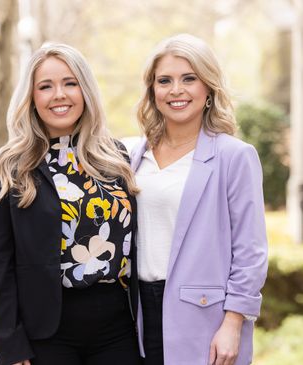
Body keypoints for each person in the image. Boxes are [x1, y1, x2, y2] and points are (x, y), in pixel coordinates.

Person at [0, 42, 141, 365]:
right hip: (47, 334)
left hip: (118, 328)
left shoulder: (116, 156)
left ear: (86, 90)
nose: (59, 95)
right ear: (31, 97)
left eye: (70, 83)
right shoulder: (5, 165)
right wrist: (8, 345)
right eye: (46, 86)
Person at [132, 33, 268, 365]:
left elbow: (250, 251)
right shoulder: (134, 156)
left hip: (205, 320)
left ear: (208, 88)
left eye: (189, 79)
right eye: (165, 80)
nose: (176, 89)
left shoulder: (234, 156)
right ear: (153, 90)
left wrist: (233, 322)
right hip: (135, 315)